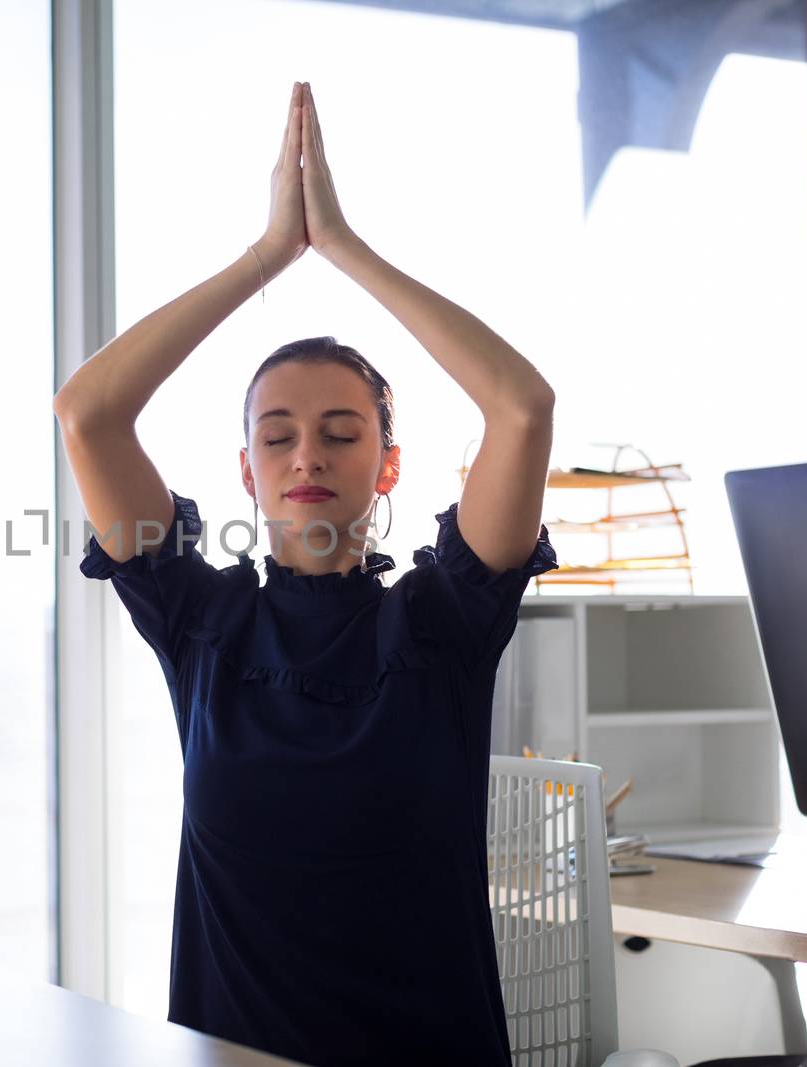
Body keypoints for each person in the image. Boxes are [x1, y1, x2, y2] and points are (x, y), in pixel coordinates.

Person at [53, 81, 558, 1065]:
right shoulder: (200, 617)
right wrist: (264, 255)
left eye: (340, 432)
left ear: (389, 462)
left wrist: (342, 247)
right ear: (246, 469)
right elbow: (88, 413)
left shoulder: (444, 618)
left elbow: (521, 408)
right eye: (276, 436)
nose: (306, 458)